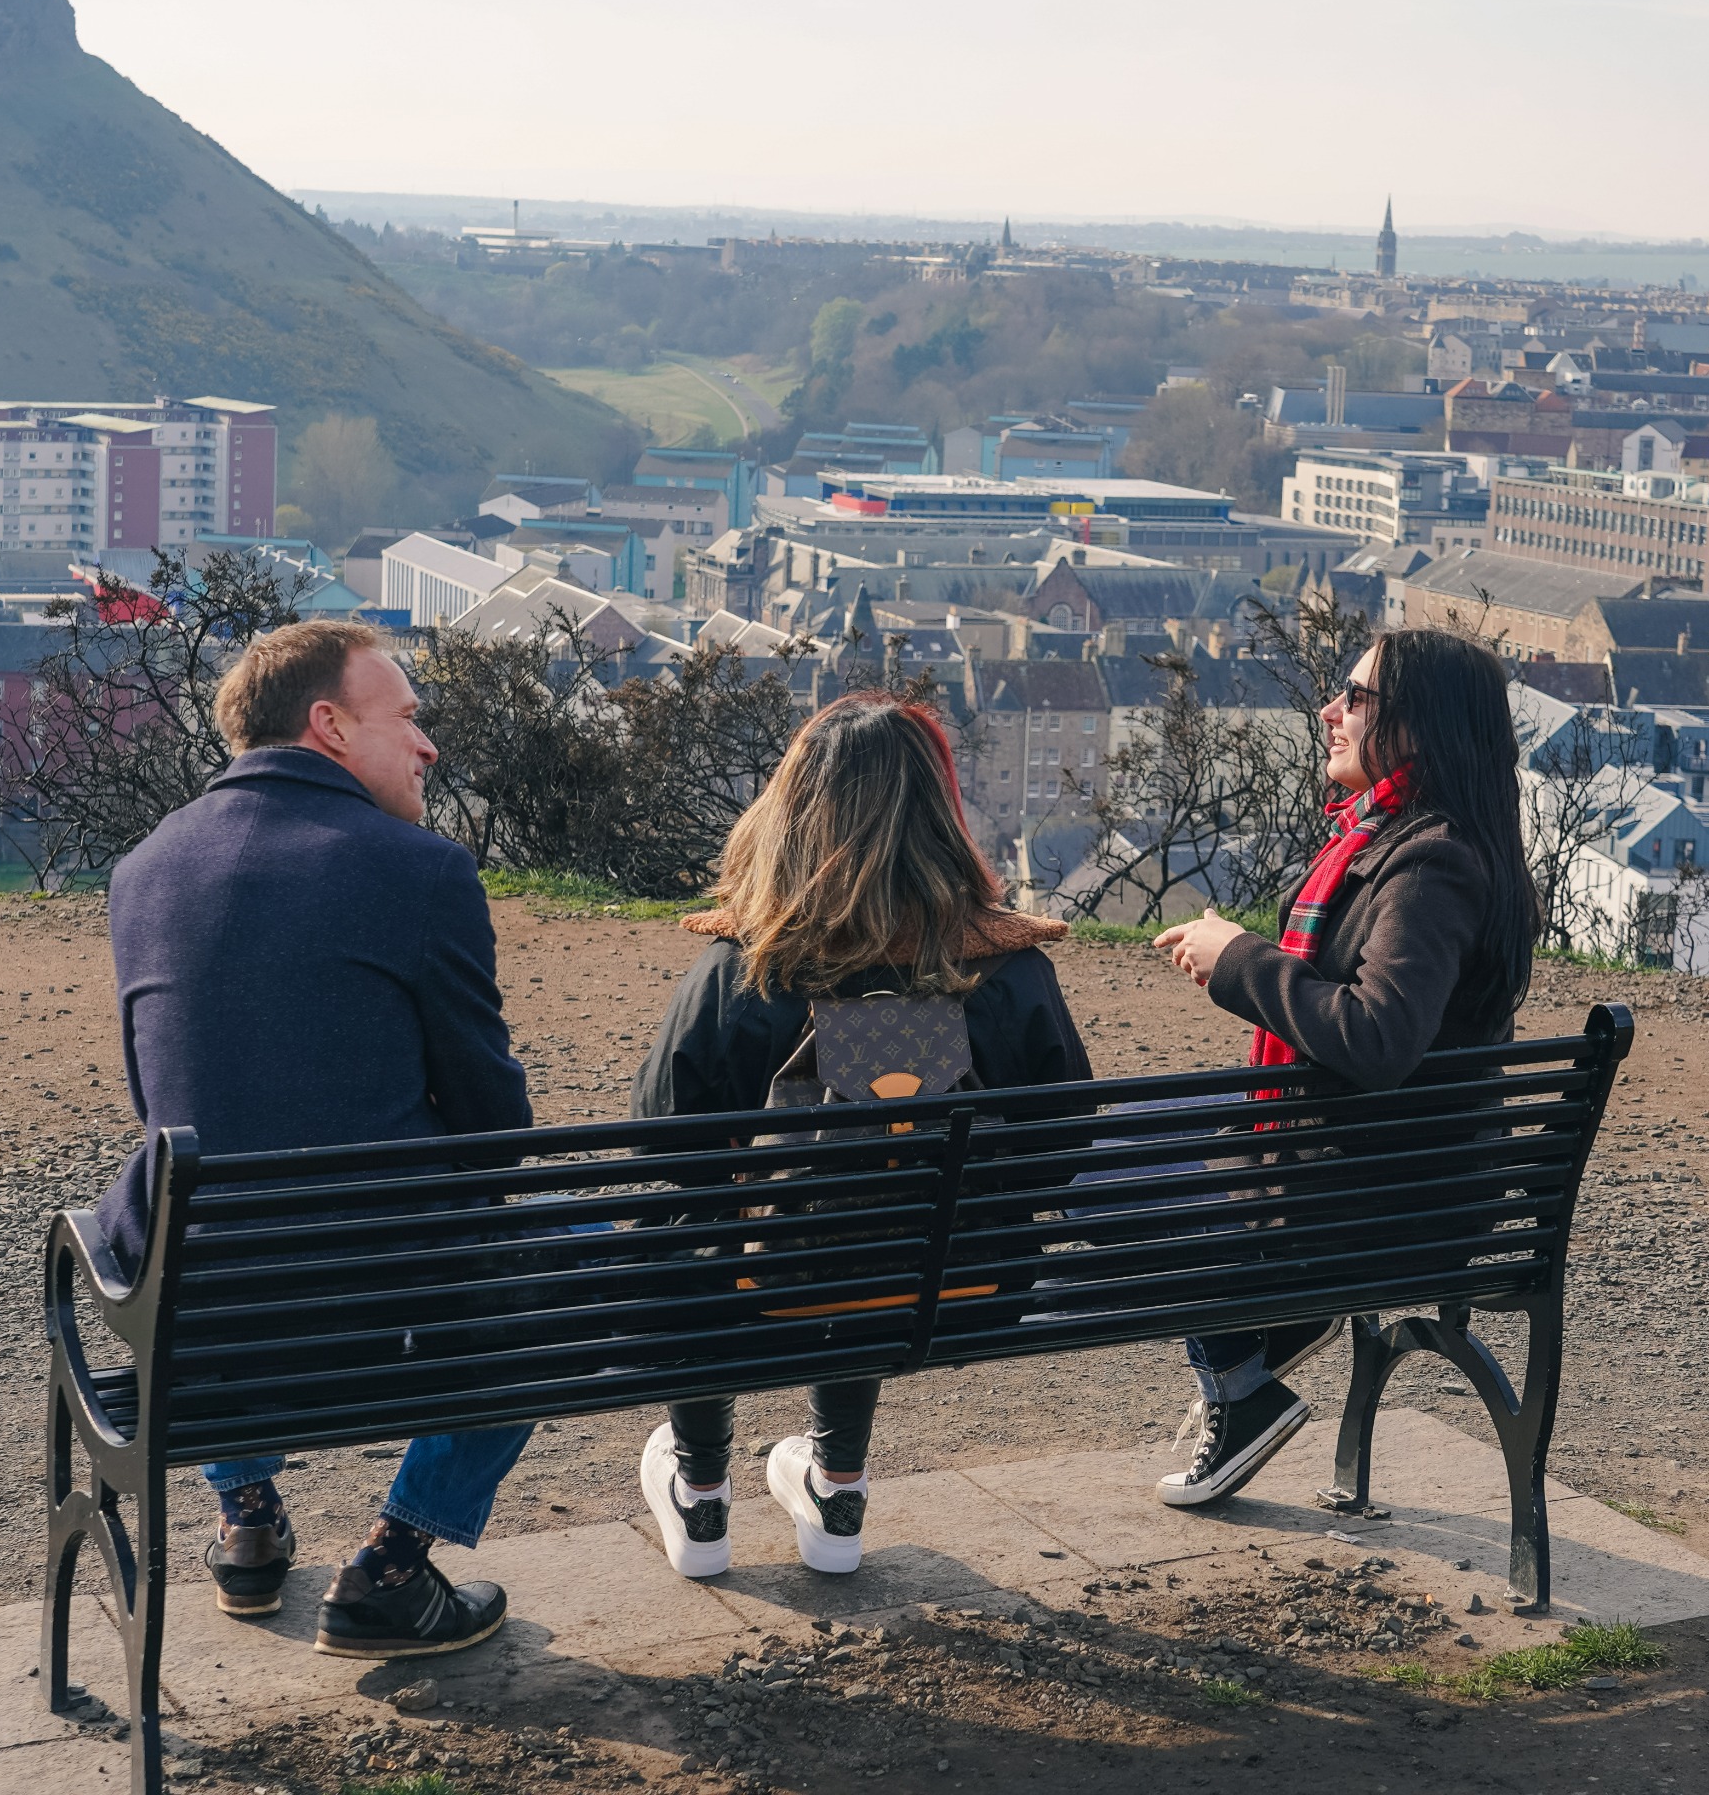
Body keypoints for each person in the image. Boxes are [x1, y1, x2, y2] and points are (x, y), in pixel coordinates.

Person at [91, 618, 531, 1659]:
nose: (428, 747)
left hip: (195, 1314)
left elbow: (160, 1094)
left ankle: (246, 1511)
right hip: (378, 1313)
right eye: (408, 719)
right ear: (328, 724)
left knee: (204, 1194)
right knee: (541, 1275)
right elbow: (493, 1124)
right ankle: (392, 1563)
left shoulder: (141, 869)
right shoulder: (420, 870)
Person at [631, 692, 1091, 1576]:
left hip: (755, 1291)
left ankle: (699, 1494)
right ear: (939, 814)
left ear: (790, 814)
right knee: (889, 1210)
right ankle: (836, 1483)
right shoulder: (1009, 971)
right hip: (962, 1289)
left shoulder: (741, 969)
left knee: (688, 1231)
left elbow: (666, 1148)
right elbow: (1061, 1139)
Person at [1146, 628, 1538, 1507]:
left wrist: (1240, 960)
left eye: (1355, 698)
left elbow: (1378, 1038)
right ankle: (1257, 1352)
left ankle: (1243, 1381)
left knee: (1109, 1184)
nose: (1328, 711)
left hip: (1376, 1208)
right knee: (1144, 1152)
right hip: (1391, 1175)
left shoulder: (1431, 864)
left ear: (1418, 726)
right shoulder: (1415, 840)